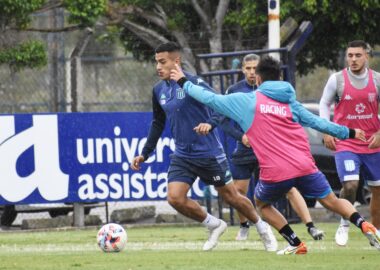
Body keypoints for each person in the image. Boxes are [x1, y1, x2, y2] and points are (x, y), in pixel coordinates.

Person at [170, 56, 380, 254]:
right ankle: (365, 224)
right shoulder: (290, 103)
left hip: (276, 171)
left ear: (259, 79)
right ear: (280, 78)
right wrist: (350, 132)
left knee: (261, 204)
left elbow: (210, 98)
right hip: (306, 166)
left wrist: (183, 81)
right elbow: (319, 123)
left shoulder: (247, 101)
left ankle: (295, 243)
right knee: (332, 200)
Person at [130, 42, 277, 252]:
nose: (158, 67)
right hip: (183, 154)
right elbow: (157, 123)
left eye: (163, 62)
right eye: (156, 62)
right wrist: (145, 153)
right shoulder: (158, 89)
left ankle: (263, 229)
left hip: (208, 153)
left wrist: (211, 123)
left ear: (176, 61)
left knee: (231, 196)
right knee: (174, 197)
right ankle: (214, 224)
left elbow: (221, 104)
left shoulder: (193, 82)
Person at [200, 53, 324, 241]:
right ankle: (244, 226)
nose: (251, 72)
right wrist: (241, 136)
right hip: (246, 149)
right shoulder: (235, 90)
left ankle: (310, 226)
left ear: (260, 71)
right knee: (238, 191)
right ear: (242, 69)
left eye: (254, 68)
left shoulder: (273, 92)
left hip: (271, 149)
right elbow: (222, 119)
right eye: (247, 68)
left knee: (289, 188)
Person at [319, 40, 380, 246]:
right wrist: (326, 130)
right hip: (346, 142)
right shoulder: (337, 79)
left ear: (367, 56)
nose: (353, 59)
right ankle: (345, 221)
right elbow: (324, 103)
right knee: (351, 184)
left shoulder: (377, 80)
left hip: (372, 143)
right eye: (350, 55)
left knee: (377, 191)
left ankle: (376, 234)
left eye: (357, 55)